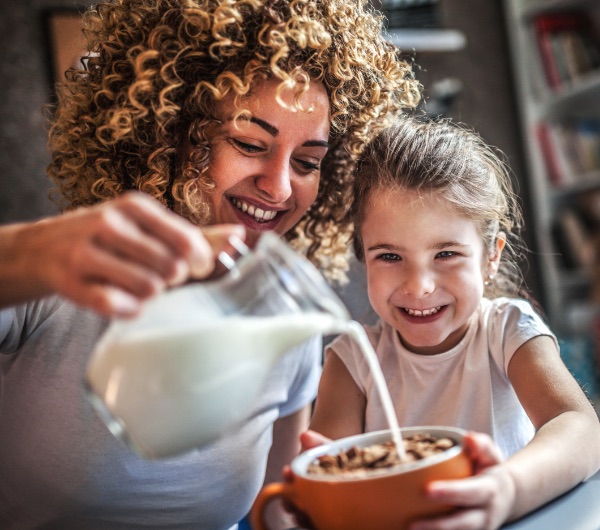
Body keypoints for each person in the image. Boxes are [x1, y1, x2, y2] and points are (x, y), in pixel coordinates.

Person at [0, 0, 421, 528]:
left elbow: (277, 507)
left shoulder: (286, 315)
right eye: (249, 144)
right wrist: (27, 256)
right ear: (168, 132)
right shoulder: (55, 272)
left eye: (308, 162)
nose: (281, 186)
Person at [305, 115, 600, 529]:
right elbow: (330, 480)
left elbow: (581, 429)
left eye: (446, 254)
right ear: (362, 256)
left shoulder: (507, 331)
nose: (419, 285)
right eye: (389, 256)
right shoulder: (353, 359)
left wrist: (507, 489)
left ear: (490, 256)